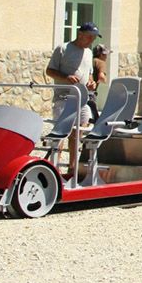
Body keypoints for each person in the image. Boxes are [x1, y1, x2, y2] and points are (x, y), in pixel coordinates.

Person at [45, 22, 99, 176]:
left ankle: (72, 169)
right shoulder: (63, 49)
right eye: (89, 37)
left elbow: (89, 73)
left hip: (82, 98)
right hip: (63, 97)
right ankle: (53, 168)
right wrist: (65, 77)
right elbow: (49, 70)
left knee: (78, 133)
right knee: (61, 133)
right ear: (80, 34)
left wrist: (91, 82)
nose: (91, 40)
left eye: (94, 37)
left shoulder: (88, 52)